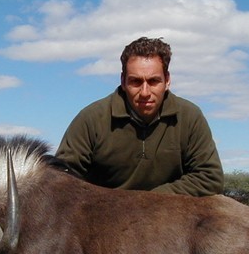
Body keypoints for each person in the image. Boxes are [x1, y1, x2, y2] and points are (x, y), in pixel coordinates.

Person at [55, 37, 223, 196]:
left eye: (153, 81)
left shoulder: (190, 116)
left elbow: (210, 177)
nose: (145, 92)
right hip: (105, 218)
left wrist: (147, 203)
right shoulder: (91, 118)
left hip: (169, 217)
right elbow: (60, 178)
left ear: (167, 80)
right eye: (135, 81)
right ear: (123, 80)